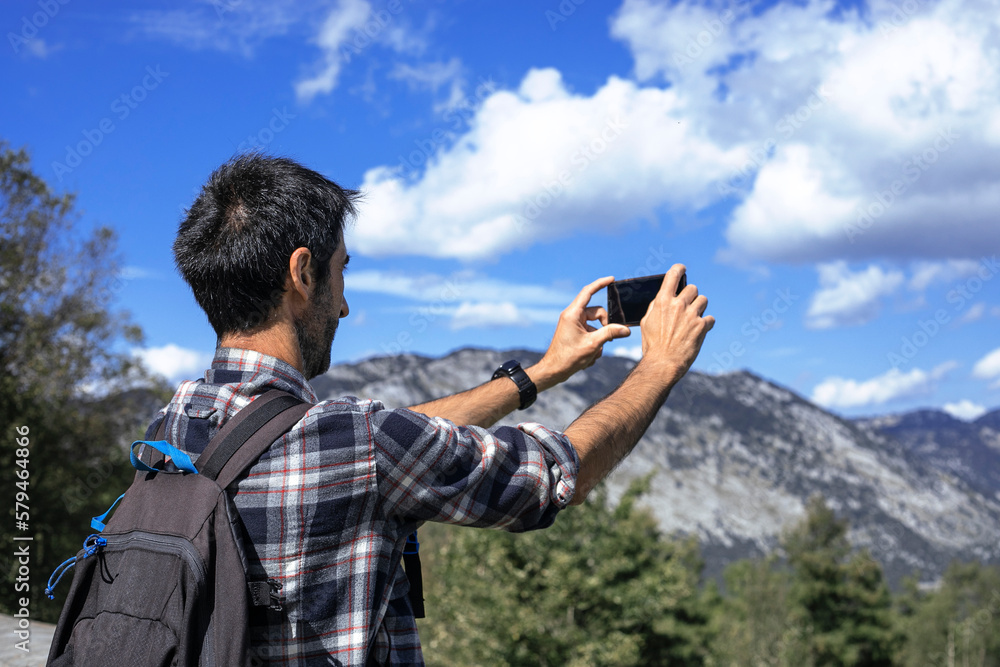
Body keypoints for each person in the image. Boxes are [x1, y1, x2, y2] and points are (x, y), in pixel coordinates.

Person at [160, 153, 714, 666]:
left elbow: (390, 441)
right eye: (341, 271)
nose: (346, 304)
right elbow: (554, 475)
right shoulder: (356, 445)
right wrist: (660, 364)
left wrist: (542, 372)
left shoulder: (172, 426)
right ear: (303, 274)